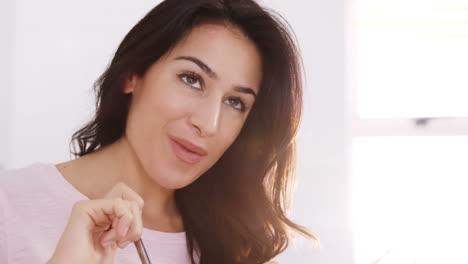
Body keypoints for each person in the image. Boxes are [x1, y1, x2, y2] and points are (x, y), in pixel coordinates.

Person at [0, 0, 316, 263]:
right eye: (192, 79)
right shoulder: (9, 205)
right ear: (132, 74)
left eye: (235, 102)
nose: (208, 124)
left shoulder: (234, 245)